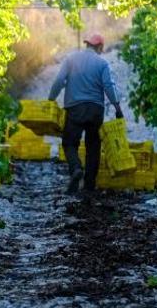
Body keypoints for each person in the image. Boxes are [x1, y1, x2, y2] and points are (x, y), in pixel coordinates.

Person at [48, 33, 124, 194]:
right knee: (93, 146)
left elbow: (59, 81)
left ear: (87, 45)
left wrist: (51, 99)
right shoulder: (102, 63)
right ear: (100, 47)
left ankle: (76, 168)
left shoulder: (71, 59)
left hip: (75, 108)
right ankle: (89, 185)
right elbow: (109, 86)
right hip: (96, 109)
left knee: (69, 143)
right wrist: (117, 107)